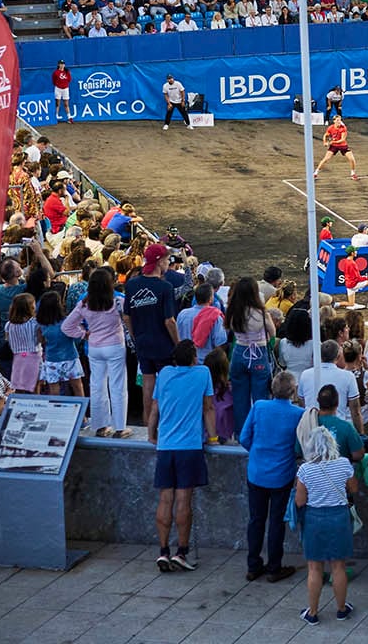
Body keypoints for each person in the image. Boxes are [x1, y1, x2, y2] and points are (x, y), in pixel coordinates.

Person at [147, 341, 214, 572]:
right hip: (190, 446)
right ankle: (181, 552)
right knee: (184, 501)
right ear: (194, 358)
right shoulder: (203, 373)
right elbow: (207, 408)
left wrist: (150, 433)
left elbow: (155, 407)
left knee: (165, 499)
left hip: (165, 446)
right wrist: (213, 437)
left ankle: (163, 551)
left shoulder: (164, 373)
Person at [240, 370, 303, 583]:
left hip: (257, 472)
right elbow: (300, 446)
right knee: (276, 522)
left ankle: (253, 564)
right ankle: (274, 567)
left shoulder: (259, 407)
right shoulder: (297, 414)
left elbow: (244, 437)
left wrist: (258, 452)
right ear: (292, 391)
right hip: (281, 475)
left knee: (256, 520)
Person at [295, 427, 358, 625]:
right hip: (339, 517)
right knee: (338, 566)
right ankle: (341, 609)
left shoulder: (305, 470)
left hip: (314, 518)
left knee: (314, 568)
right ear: (333, 444)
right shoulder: (344, 464)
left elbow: (299, 501)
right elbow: (353, 488)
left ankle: (312, 612)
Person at [63, 267, 130, 436]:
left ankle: (100, 426)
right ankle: (120, 427)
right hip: (115, 345)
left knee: (97, 385)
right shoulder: (118, 301)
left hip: (94, 347)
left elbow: (66, 327)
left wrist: (83, 334)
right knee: (118, 386)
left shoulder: (84, 303)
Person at [124, 243, 181, 408]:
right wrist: (178, 344)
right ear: (159, 261)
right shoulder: (165, 287)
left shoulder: (132, 284)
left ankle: (148, 420)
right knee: (166, 383)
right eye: (167, 259)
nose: (168, 263)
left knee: (148, 381)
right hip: (163, 343)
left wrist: (136, 336)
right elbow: (169, 321)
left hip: (143, 340)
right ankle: (163, 419)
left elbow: (127, 316)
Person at [227, 276, 278, 437]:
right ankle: (260, 432)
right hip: (258, 353)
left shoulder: (233, 311)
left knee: (239, 396)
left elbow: (229, 330)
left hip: (239, 352)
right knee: (260, 397)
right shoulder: (261, 313)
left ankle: (241, 433)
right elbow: (273, 333)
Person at [298, 339, 364, 431]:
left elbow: (302, 403)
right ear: (338, 356)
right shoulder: (348, 376)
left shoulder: (305, 374)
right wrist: (360, 434)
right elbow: (355, 411)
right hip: (337, 428)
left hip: (311, 426)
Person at [314, 115, 358, 181]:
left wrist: (332, 142)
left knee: (352, 159)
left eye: (340, 120)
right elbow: (325, 135)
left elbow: (342, 139)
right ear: (334, 121)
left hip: (343, 146)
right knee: (326, 159)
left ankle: (353, 174)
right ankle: (315, 173)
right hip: (334, 146)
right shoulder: (330, 128)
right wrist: (325, 142)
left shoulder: (343, 128)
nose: (339, 122)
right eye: (337, 120)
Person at [337, 246, 368, 310]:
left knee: (351, 304)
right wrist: (367, 278)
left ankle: (335, 304)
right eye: (355, 251)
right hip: (354, 284)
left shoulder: (345, 261)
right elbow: (358, 278)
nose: (356, 252)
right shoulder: (352, 263)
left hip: (348, 284)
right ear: (352, 253)